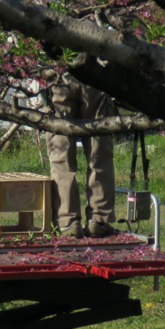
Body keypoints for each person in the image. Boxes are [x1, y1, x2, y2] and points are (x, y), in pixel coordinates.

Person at [46, 74, 119, 238]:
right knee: (98, 150)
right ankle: (99, 218)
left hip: (58, 74)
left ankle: (68, 221)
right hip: (92, 70)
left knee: (61, 155)